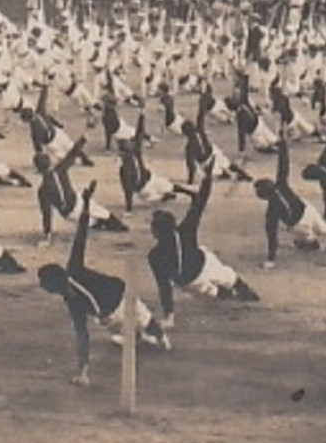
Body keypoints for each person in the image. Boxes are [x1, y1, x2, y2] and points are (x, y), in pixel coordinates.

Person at [37, 181, 171, 388]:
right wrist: (83, 373)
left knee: (147, 322)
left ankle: (160, 338)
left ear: (55, 283)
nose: (45, 289)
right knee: (122, 330)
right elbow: (83, 336)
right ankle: (136, 335)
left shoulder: (75, 270)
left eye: (45, 285)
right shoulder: (72, 303)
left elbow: (81, 236)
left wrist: (87, 205)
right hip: (107, 316)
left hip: (121, 296)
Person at [147, 161, 260, 326]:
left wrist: (169, 316)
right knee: (230, 277)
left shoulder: (155, 256)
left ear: (156, 232)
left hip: (190, 283)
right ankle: (248, 295)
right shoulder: (185, 230)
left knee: (216, 293)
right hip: (206, 264)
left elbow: (164, 287)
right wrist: (207, 179)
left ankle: (224, 293)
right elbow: (199, 203)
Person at [252, 134, 326, 266]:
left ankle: (311, 243)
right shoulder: (281, 185)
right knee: (325, 229)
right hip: (309, 210)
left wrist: (271, 260)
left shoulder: (272, 210)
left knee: (305, 242)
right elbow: (284, 164)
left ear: (264, 197)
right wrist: (284, 146)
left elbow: (272, 235)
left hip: (299, 226)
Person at [36, 135, 128, 242]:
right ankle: (119, 227)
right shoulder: (59, 170)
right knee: (104, 214)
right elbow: (72, 154)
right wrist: (83, 139)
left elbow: (46, 213)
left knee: (93, 223)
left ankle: (103, 225)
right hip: (79, 201)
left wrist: (47, 234)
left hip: (69, 214)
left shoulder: (42, 191)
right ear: (49, 162)